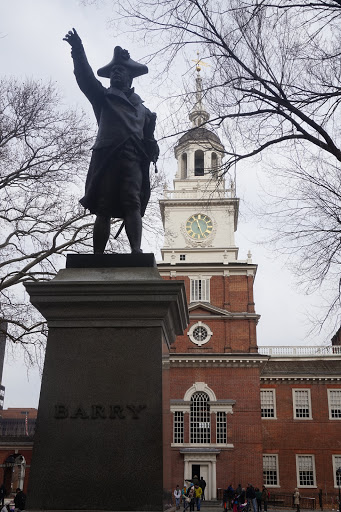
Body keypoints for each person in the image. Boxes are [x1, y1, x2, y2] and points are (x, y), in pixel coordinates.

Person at [63, 29, 159, 255]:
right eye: (113, 71)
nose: (116, 73)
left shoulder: (144, 110)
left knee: (132, 203)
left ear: (129, 77)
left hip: (133, 159)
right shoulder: (103, 97)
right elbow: (85, 78)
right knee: (103, 206)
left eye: (120, 70)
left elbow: (149, 142)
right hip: (108, 157)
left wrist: (152, 145)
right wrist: (77, 50)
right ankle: (98, 255)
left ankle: (136, 251)